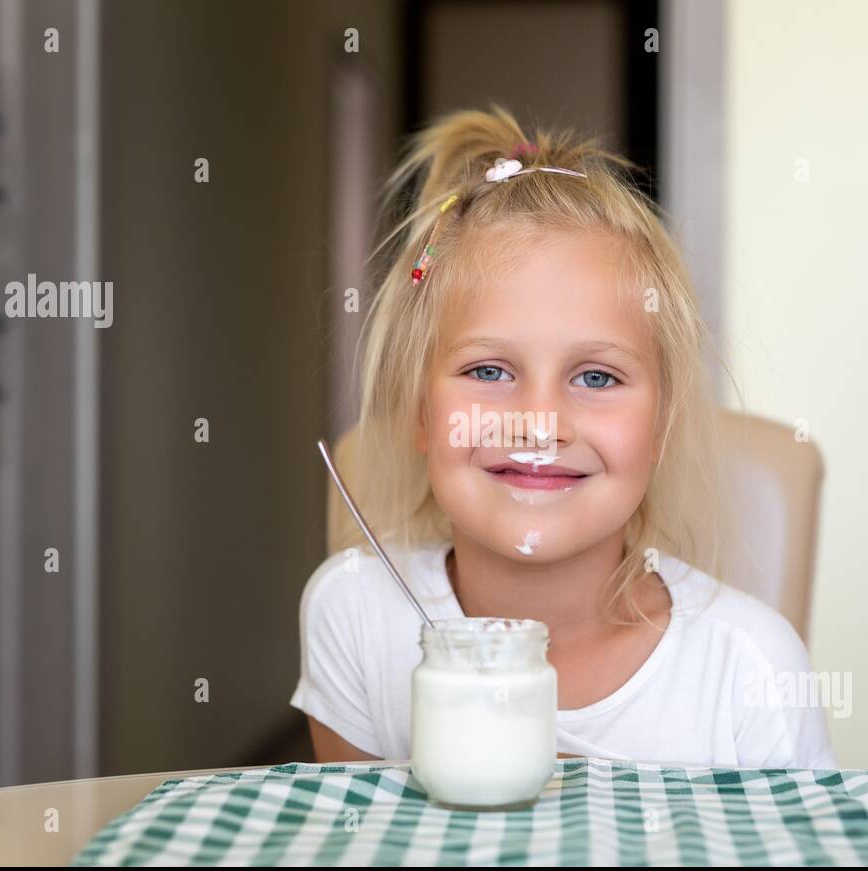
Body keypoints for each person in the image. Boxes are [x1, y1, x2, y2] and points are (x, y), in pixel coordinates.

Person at [291, 105, 837, 769]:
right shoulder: (354, 616)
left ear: (662, 423)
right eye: (489, 370)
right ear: (418, 411)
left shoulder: (752, 670)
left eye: (598, 377)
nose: (540, 421)